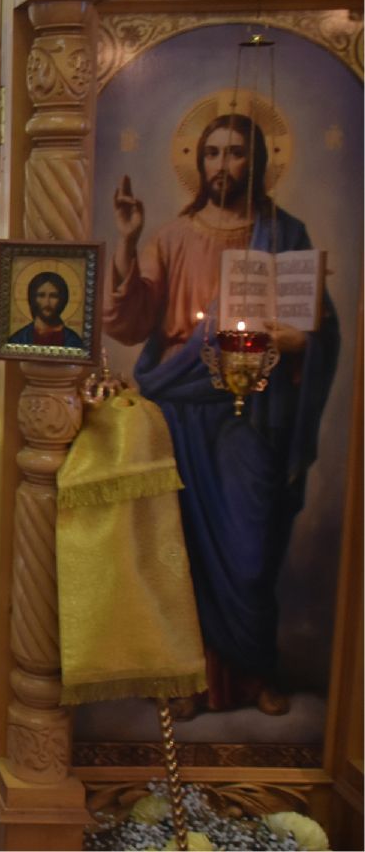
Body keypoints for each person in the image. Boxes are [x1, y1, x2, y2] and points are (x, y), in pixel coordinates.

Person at [104, 110, 337, 716]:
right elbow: (130, 323)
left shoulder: (285, 234)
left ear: (256, 162)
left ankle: (253, 671)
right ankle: (184, 678)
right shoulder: (172, 238)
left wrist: (297, 342)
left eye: (235, 153)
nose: (222, 165)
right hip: (179, 406)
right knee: (178, 545)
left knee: (249, 548)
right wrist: (128, 240)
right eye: (212, 153)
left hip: (250, 411)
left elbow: (318, 328)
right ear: (199, 162)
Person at [7, 270, 85, 348]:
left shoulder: (73, 341)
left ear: (62, 299)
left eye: (53, 296)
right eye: (41, 295)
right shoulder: (19, 339)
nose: (47, 302)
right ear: (32, 298)